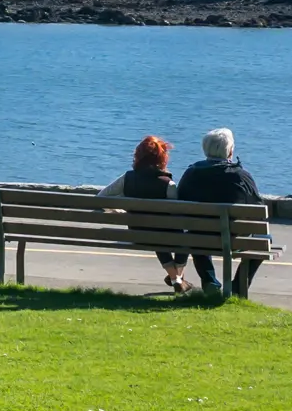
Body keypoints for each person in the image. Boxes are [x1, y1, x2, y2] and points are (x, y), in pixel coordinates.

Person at [176, 127, 264, 297]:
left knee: (196, 231)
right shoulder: (241, 176)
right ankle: (238, 286)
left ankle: (210, 282)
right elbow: (258, 210)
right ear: (230, 151)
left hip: (200, 236)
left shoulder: (191, 173)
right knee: (263, 238)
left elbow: (180, 204)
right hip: (234, 238)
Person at [101, 135, 190, 293]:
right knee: (181, 235)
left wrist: (120, 210)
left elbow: (100, 198)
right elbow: (178, 215)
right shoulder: (168, 185)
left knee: (154, 234)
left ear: (138, 157)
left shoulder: (127, 178)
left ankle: (175, 278)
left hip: (138, 233)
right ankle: (177, 278)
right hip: (167, 236)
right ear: (163, 158)